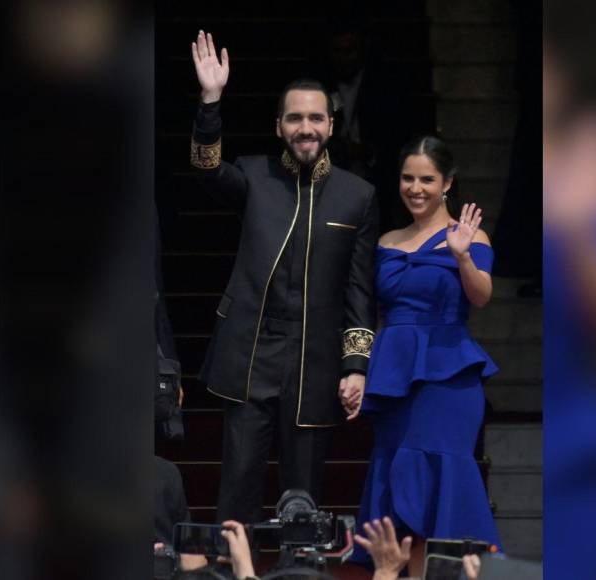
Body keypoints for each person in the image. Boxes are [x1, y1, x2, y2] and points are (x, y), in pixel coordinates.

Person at [188, 31, 378, 525]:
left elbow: (360, 289)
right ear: (279, 126)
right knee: (238, 490)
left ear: (331, 125)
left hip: (314, 360)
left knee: (304, 500)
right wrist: (211, 101)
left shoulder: (357, 196)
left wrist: (356, 364)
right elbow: (206, 169)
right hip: (253, 352)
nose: (306, 127)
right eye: (295, 118)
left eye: (316, 118)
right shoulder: (255, 175)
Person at [349, 136, 502, 577]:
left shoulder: (470, 236)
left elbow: (482, 296)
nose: (415, 188)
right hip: (395, 376)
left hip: (447, 375)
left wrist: (462, 257)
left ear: (447, 183)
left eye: (427, 180)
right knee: (397, 482)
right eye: (407, 178)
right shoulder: (386, 240)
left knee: (439, 482)